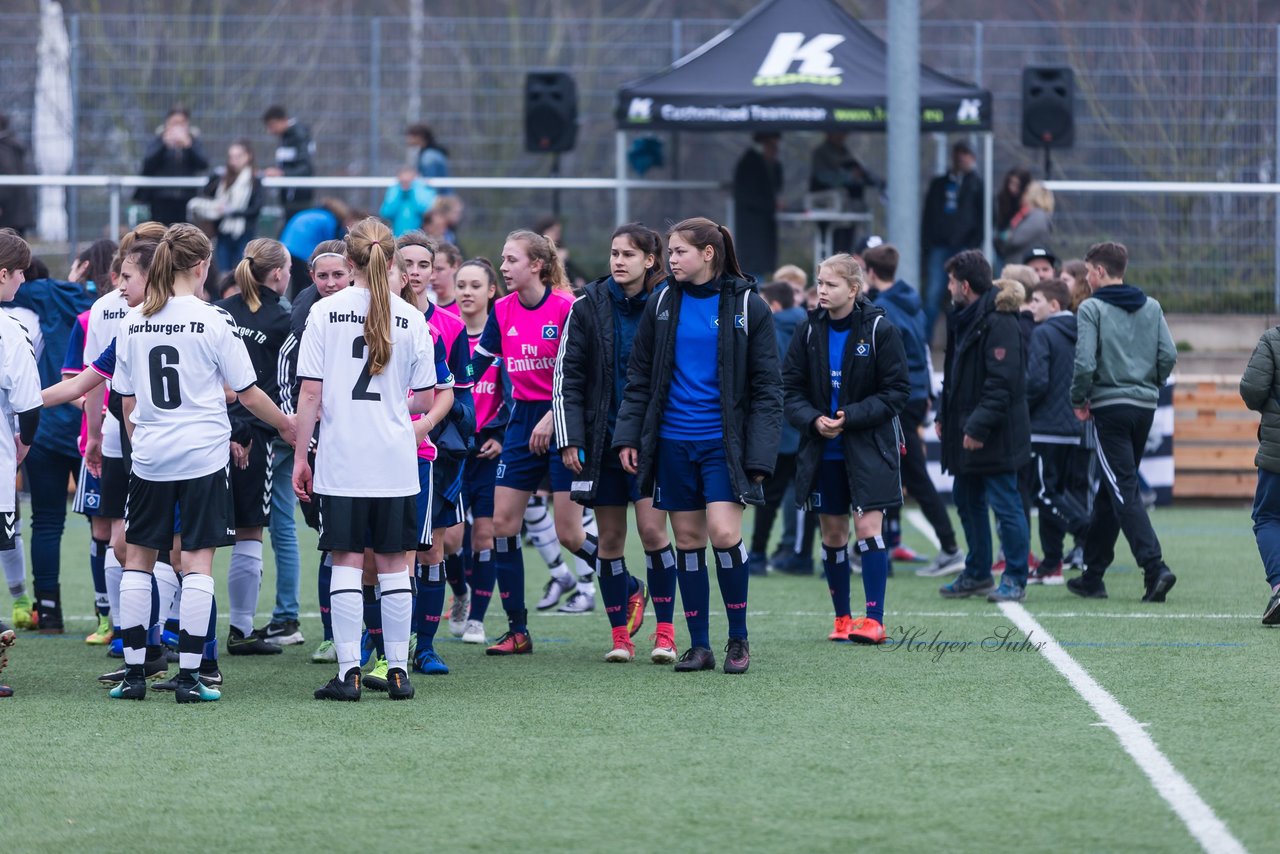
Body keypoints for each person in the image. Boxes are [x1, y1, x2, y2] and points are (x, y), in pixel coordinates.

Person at [111, 223, 293, 703]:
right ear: (201, 266)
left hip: (151, 457)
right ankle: (191, 677)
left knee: (139, 560)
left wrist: (143, 440)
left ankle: (133, 675)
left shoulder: (130, 322)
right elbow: (249, 394)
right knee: (196, 564)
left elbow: (126, 402)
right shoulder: (214, 319)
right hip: (202, 458)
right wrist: (288, 426)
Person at [614, 217, 782, 675]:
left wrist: (760, 456)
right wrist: (628, 435)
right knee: (687, 541)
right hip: (671, 443)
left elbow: (769, 388)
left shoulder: (749, 304)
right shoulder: (663, 299)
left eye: (679, 252)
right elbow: (640, 376)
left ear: (708, 254)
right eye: (669, 252)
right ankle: (700, 645)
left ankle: (738, 640)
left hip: (723, 445)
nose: (671, 260)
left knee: (724, 535)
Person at [293, 218, 437, 701]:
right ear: (392, 262)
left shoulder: (324, 311)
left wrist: (300, 457)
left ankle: (349, 672)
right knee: (396, 564)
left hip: (341, 458)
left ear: (348, 263)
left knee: (347, 562)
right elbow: (423, 398)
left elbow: (310, 393)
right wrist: (394, 401)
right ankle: (397, 671)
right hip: (395, 458)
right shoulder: (413, 317)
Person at [554, 223, 678, 663]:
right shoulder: (588, 304)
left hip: (652, 441)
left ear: (650, 260)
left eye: (628, 254)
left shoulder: (669, 302)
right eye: (614, 253)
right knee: (609, 540)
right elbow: (567, 376)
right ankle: (619, 637)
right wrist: (570, 437)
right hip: (601, 440)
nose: (618, 261)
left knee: (651, 531)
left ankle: (665, 634)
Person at [466, 230, 587, 655]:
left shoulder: (568, 308)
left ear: (536, 264)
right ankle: (518, 629)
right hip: (521, 425)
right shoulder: (502, 310)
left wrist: (554, 418)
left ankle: (626, 583)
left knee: (569, 533)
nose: (502, 267)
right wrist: (440, 387)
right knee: (503, 526)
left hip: (563, 421)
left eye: (511, 260)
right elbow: (477, 363)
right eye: (502, 259)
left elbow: (581, 377)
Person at [783, 253, 908, 644]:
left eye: (830, 284)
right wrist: (813, 420)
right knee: (833, 534)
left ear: (853, 289)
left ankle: (874, 620)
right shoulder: (807, 330)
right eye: (819, 282)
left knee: (868, 529)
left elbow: (897, 392)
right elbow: (789, 390)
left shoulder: (880, 330)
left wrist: (849, 416)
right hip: (823, 450)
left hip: (868, 447)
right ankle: (842, 620)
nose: (821, 289)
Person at [1068, 241, 1177, 603]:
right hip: (1144, 407)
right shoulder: (1152, 306)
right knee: (1110, 488)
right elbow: (1169, 355)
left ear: (1100, 271)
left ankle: (1154, 566)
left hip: (1109, 407)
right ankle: (1093, 575)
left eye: (1087, 272)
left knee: (1122, 486)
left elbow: (1084, 363)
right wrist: (1150, 385)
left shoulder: (1091, 309)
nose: (1086, 279)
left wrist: (1078, 399)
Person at [860, 242, 965, 576]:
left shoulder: (882, 309)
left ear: (870, 272)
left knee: (913, 474)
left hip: (899, 398)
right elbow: (919, 347)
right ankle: (876, 546)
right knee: (894, 469)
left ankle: (949, 547)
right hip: (917, 394)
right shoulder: (911, 301)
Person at [395, 230, 472, 678]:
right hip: (383, 453)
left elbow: (460, 398)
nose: (416, 273)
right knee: (382, 552)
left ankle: (424, 646)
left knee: (431, 551)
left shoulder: (452, 327)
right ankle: (384, 643)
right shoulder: (379, 319)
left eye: (425, 265)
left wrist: (432, 431)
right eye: (408, 264)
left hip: (436, 456)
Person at [4, 249, 94, 632]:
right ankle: (114, 618)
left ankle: (47, 610)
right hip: (90, 426)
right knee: (105, 524)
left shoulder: (35, 304)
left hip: (47, 426)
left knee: (45, 522)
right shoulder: (102, 306)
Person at [936, 252, 1032, 603]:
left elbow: (1002, 384)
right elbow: (956, 376)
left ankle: (1015, 578)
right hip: (967, 430)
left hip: (995, 434)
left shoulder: (1001, 320)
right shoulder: (965, 315)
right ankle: (977, 573)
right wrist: (943, 416)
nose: (947, 287)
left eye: (950, 281)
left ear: (964, 286)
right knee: (966, 497)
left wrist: (976, 428)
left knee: (1006, 505)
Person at [215, 238, 294, 654]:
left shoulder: (219, 311)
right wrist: (244, 429)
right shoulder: (284, 318)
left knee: (193, 538)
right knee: (250, 531)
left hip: (212, 434)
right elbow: (270, 387)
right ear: (279, 273)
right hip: (254, 437)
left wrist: (229, 426)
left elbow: (214, 380)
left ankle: (176, 629)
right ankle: (241, 632)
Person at [276, 239, 350, 662]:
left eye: (338, 274)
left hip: (366, 449)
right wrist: (306, 438)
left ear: (354, 273)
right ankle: (331, 634)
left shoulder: (377, 316)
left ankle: (392, 638)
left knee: (379, 547)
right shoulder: (305, 325)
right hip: (324, 452)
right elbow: (292, 387)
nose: (330, 282)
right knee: (331, 539)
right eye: (323, 276)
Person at [453, 257, 509, 644]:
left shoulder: (504, 338)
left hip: (490, 453)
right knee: (451, 540)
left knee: (485, 535)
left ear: (491, 291)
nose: (467, 292)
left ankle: (477, 618)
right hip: (454, 452)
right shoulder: (447, 333)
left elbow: (518, 393)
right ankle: (459, 593)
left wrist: (502, 435)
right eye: (461, 285)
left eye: (476, 285)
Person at [1024, 279, 1090, 585]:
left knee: (1043, 494)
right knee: (1056, 492)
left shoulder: (1043, 333)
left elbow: (1037, 382)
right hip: (1071, 429)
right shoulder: (1081, 331)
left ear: (1053, 305)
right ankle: (1052, 563)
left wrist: (1019, 407)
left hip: (1044, 430)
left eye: (1035, 300)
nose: (1031, 305)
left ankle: (1085, 531)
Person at [0, 230, 43, 694]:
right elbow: (29, 404)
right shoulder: (10, 330)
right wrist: (24, 443)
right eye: (19, 272)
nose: (23, 280)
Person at [747, 281, 805, 577]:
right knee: (807, 497)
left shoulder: (769, 331)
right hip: (809, 425)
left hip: (779, 428)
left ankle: (757, 554)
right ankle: (804, 556)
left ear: (775, 306)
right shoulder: (809, 327)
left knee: (769, 496)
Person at [921, 142, 984, 340]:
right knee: (933, 294)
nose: (961, 159)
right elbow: (928, 215)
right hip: (939, 246)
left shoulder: (977, 184)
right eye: (958, 154)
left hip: (964, 246)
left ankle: (964, 338)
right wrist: (928, 243)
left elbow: (982, 215)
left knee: (965, 293)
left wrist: (975, 243)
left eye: (965, 154)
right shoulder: (939, 184)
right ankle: (924, 342)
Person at [1240, 324, 1280, 624]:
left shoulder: (1272, 339)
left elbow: (1252, 391)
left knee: (1267, 517)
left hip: (1277, 453)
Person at [199, 140, 265, 274]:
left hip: (244, 231)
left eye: (238, 156)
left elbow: (256, 208)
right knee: (224, 271)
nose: (234, 160)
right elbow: (206, 193)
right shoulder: (222, 178)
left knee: (243, 270)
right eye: (231, 157)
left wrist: (232, 212)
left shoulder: (254, 180)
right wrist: (213, 177)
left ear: (248, 156)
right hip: (223, 230)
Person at [137, 106, 210, 226]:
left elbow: (203, 164)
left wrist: (188, 146)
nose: (178, 127)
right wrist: (164, 145)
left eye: (182, 123)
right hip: (161, 199)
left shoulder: (194, 141)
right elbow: (147, 164)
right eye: (174, 123)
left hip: (186, 198)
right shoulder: (158, 140)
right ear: (167, 123)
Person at [732, 133, 783, 281]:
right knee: (752, 266)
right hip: (751, 226)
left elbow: (777, 185)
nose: (775, 150)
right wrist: (771, 204)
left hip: (764, 225)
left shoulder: (771, 163)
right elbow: (747, 196)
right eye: (772, 146)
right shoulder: (749, 163)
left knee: (761, 265)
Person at [280, 198, 353, 298]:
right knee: (312, 286)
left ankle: (295, 305)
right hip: (302, 252)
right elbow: (330, 245)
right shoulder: (329, 219)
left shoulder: (310, 213)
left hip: (287, 249)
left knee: (296, 284)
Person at [261, 105, 315, 223]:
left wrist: (282, 173)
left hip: (298, 200)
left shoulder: (298, 135)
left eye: (272, 125)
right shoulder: (285, 137)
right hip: (289, 199)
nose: (270, 131)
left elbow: (305, 168)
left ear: (283, 120)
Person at [995, 177, 1052, 269]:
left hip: (1023, 266)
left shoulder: (1037, 216)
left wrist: (1006, 237)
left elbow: (1015, 239)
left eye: (1026, 192)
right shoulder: (1032, 215)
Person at [0, 114, 34, 236]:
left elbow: (7, 179)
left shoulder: (4, 148)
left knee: (10, 250)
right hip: (17, 212)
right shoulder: (13, 144)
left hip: (8, 213)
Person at [380, 167, 436, 237]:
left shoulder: (423, 190)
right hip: (397, 236)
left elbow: (426, 212)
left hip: (419, 237)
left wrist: (412, 192)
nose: (406, 184)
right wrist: (400, 194)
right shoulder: (394, 191)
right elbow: (386, 213)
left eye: (408, 181)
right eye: (403, 181)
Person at [407, 123, 451, 190]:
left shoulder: (429, 156)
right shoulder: (429, 153)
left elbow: (430, 182)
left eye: (411, 137)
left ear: (420, 137)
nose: (408, 140)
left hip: (438, 197)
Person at [431, 242, 462, 314]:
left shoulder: (466, 307)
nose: (432, 277)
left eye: (439, 269)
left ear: (455, 266)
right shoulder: (422, 307)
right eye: (430, 270)